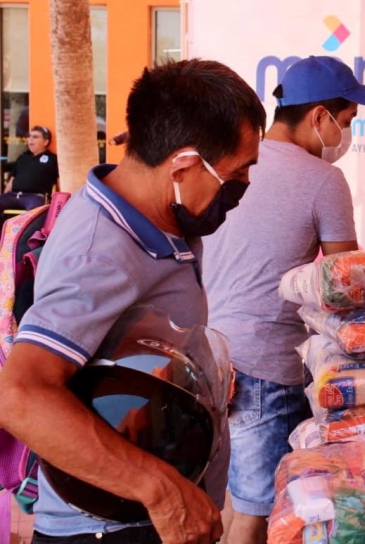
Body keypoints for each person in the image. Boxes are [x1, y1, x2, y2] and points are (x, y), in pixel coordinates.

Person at [0, 59, 265, 544]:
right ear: (183, 165)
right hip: (111, 526)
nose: (245, 185)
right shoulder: (100, 252)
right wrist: (159, 491)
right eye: (238, 172)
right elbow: (20, 394)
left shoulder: (160, 216)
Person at [202, 55, 365, 544]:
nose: (348, 134)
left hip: (212, 356)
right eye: (347, 120)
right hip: (267, 366)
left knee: (231, 502)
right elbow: (344, 284)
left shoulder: (236, 162)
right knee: (261, 515)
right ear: (320, 116)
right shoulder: (323, 179)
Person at [0, 125, 60, 212]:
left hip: (35, 197)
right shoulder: (22, 158)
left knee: (34, 211)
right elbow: (12, 180)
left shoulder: (52, 159)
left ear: (45, 142)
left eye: (35, 137)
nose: (30, 139)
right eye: (29, 137)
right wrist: (5, 194)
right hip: (14, 196)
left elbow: (60, 181)